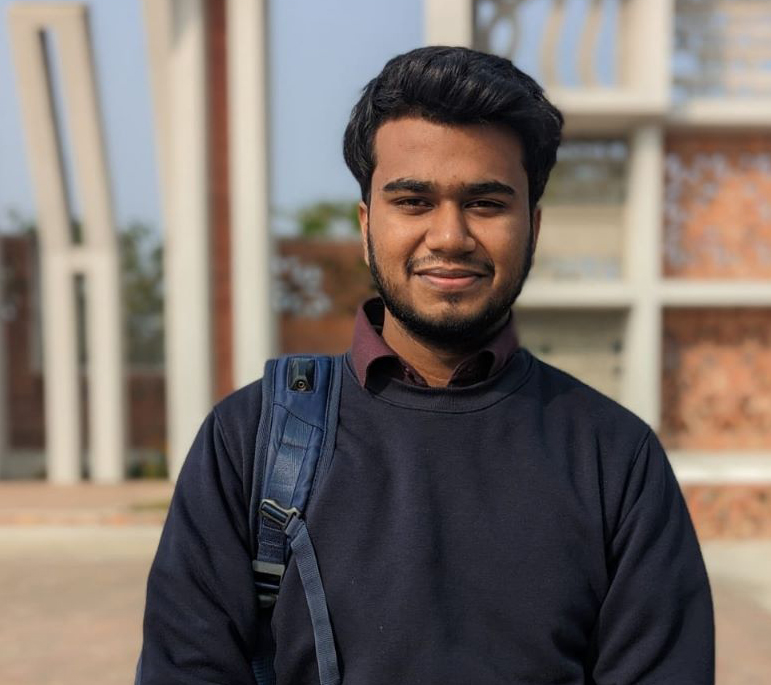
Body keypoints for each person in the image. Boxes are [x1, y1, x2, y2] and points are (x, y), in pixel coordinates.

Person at [138, 46, 714, 684]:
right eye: (413, 201)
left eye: (486, 203)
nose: (449, 236)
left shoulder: (615, 456)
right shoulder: (250, 441)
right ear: (366, 226)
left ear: (533, 225)